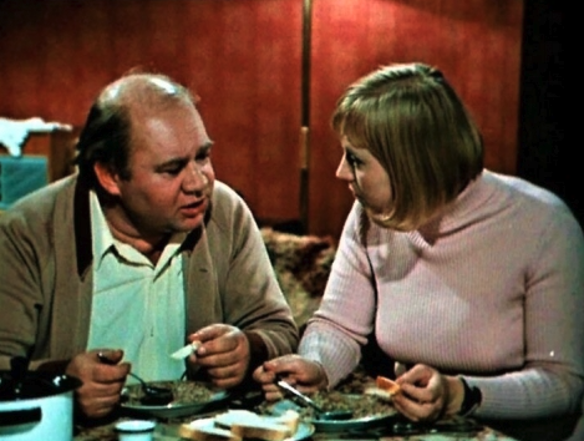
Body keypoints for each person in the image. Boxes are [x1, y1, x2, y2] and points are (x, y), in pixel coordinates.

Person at [253, 62, 584, 436]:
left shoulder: (543, 226)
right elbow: (337, 325)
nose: (341, 172)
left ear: (409, 164)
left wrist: (460, 394)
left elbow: (562, 383)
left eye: (356, 159)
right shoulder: (372, 214)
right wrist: (316, 365)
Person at [0, 72, 299, 420]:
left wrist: (247, 350)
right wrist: (61, 383)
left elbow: (280, 330)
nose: (199, 182)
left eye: (202, 156)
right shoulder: (29, 232)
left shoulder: (224, 213)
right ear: (110, 176)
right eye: (172, 169)